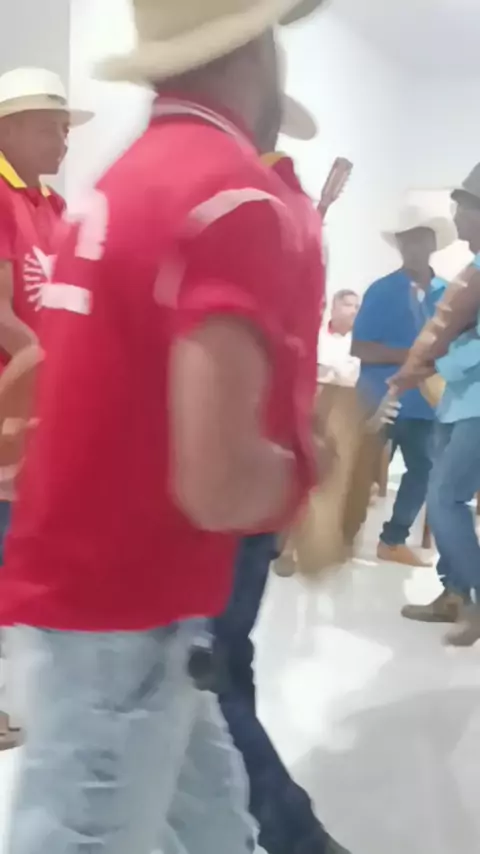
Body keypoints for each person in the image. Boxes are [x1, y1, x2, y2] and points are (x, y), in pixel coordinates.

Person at [0, 2, 330, 853]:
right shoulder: (231, 197)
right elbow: (218, 484)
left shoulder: (125, 179)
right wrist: (311, 468)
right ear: (255, 46)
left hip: (111, 590)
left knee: (215, 825)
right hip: (129, 598)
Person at [0, 66, 92, 751]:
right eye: (49, 129)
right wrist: (49, 366)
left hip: (39, 415)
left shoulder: (53, 206)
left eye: (64, 129)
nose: (63, 142)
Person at [351, 206, 456, 567]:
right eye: (407, 239)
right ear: (399, 244)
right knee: (360, 469)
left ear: (432, 243)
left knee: (424, 471)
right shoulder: (380, 290)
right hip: (377, 398)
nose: (413, 246)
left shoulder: (450, 294)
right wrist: (411, 356)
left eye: (420, 238)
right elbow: (360, 347)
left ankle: (393, 540)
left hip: (426, 403)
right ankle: (344, 534)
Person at [402, 165, 480, 642]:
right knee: (445, 498)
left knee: (446, 498)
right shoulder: (471, 270)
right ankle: (455, 594)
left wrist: (438, 363)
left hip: (475, 404)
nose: (457, 218)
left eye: (464, 208)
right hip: (457, 403)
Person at [317, 289, 360, 386]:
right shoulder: (317, 336)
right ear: (333, 310)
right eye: (348, 305)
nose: (354, 311)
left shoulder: (362, 342)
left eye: (357, 307)